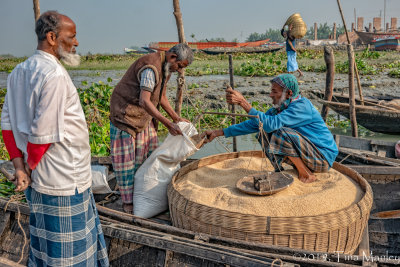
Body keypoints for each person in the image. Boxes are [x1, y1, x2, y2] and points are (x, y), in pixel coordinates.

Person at [1, 11, 109, 266]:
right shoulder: (54, 76)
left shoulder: (18, 71)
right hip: (63, 182)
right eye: (71, 36)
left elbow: (7, 125)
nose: (76, 42)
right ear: (52, 37)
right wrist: (26, 168)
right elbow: (41, 135)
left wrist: (19, 168)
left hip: (39, 180)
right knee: (69, 254)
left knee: (44, 246)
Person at [203, 74, 338, 183]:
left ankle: (306, 174)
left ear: (289, 93)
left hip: (322, 158)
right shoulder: (280, 109)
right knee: (263, 133)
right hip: (309, 156)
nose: (270, 95)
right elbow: (256, 124)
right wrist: (217, 133)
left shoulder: (302, 106)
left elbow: (270, 125)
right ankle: (281, 171)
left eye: (274, 91)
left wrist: (243, 102)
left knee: (280, 132)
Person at [109, 43, 194, 213]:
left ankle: (140, 195)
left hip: (143, 117)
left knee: (148, 157)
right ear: (173, 57)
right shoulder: (151, 67)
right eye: (180, 66)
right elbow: (145, 101)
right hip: (126, 115)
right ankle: (128, 203)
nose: (179, 70)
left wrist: (176, 118)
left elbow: (160, 95)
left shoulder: (166, 67)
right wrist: (167, 123)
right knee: (126, 163)